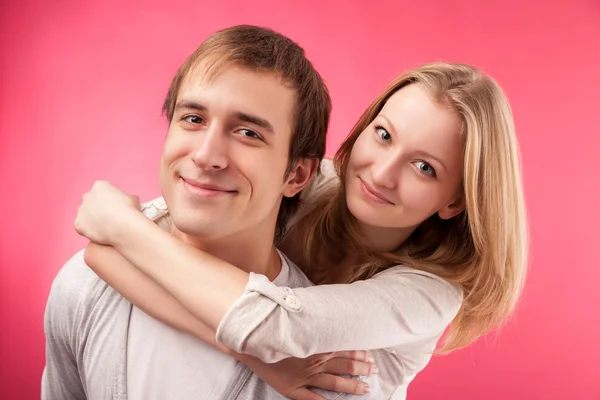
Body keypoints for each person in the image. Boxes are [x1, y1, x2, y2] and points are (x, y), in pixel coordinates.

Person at [76, 61, 528, 399]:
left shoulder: (430, 295)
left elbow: (272, 328)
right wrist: (266, 362)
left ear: (454, 201)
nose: (381, 173)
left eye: (424, 167)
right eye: (384, 135)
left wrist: (120, 223)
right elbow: (104, 254)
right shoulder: (313, 181)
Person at [43, 25, 380, 400]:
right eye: (193, 118)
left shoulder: (329, 367)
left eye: (249, 133)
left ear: (296, 175)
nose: (205, 156)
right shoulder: (85, 287)